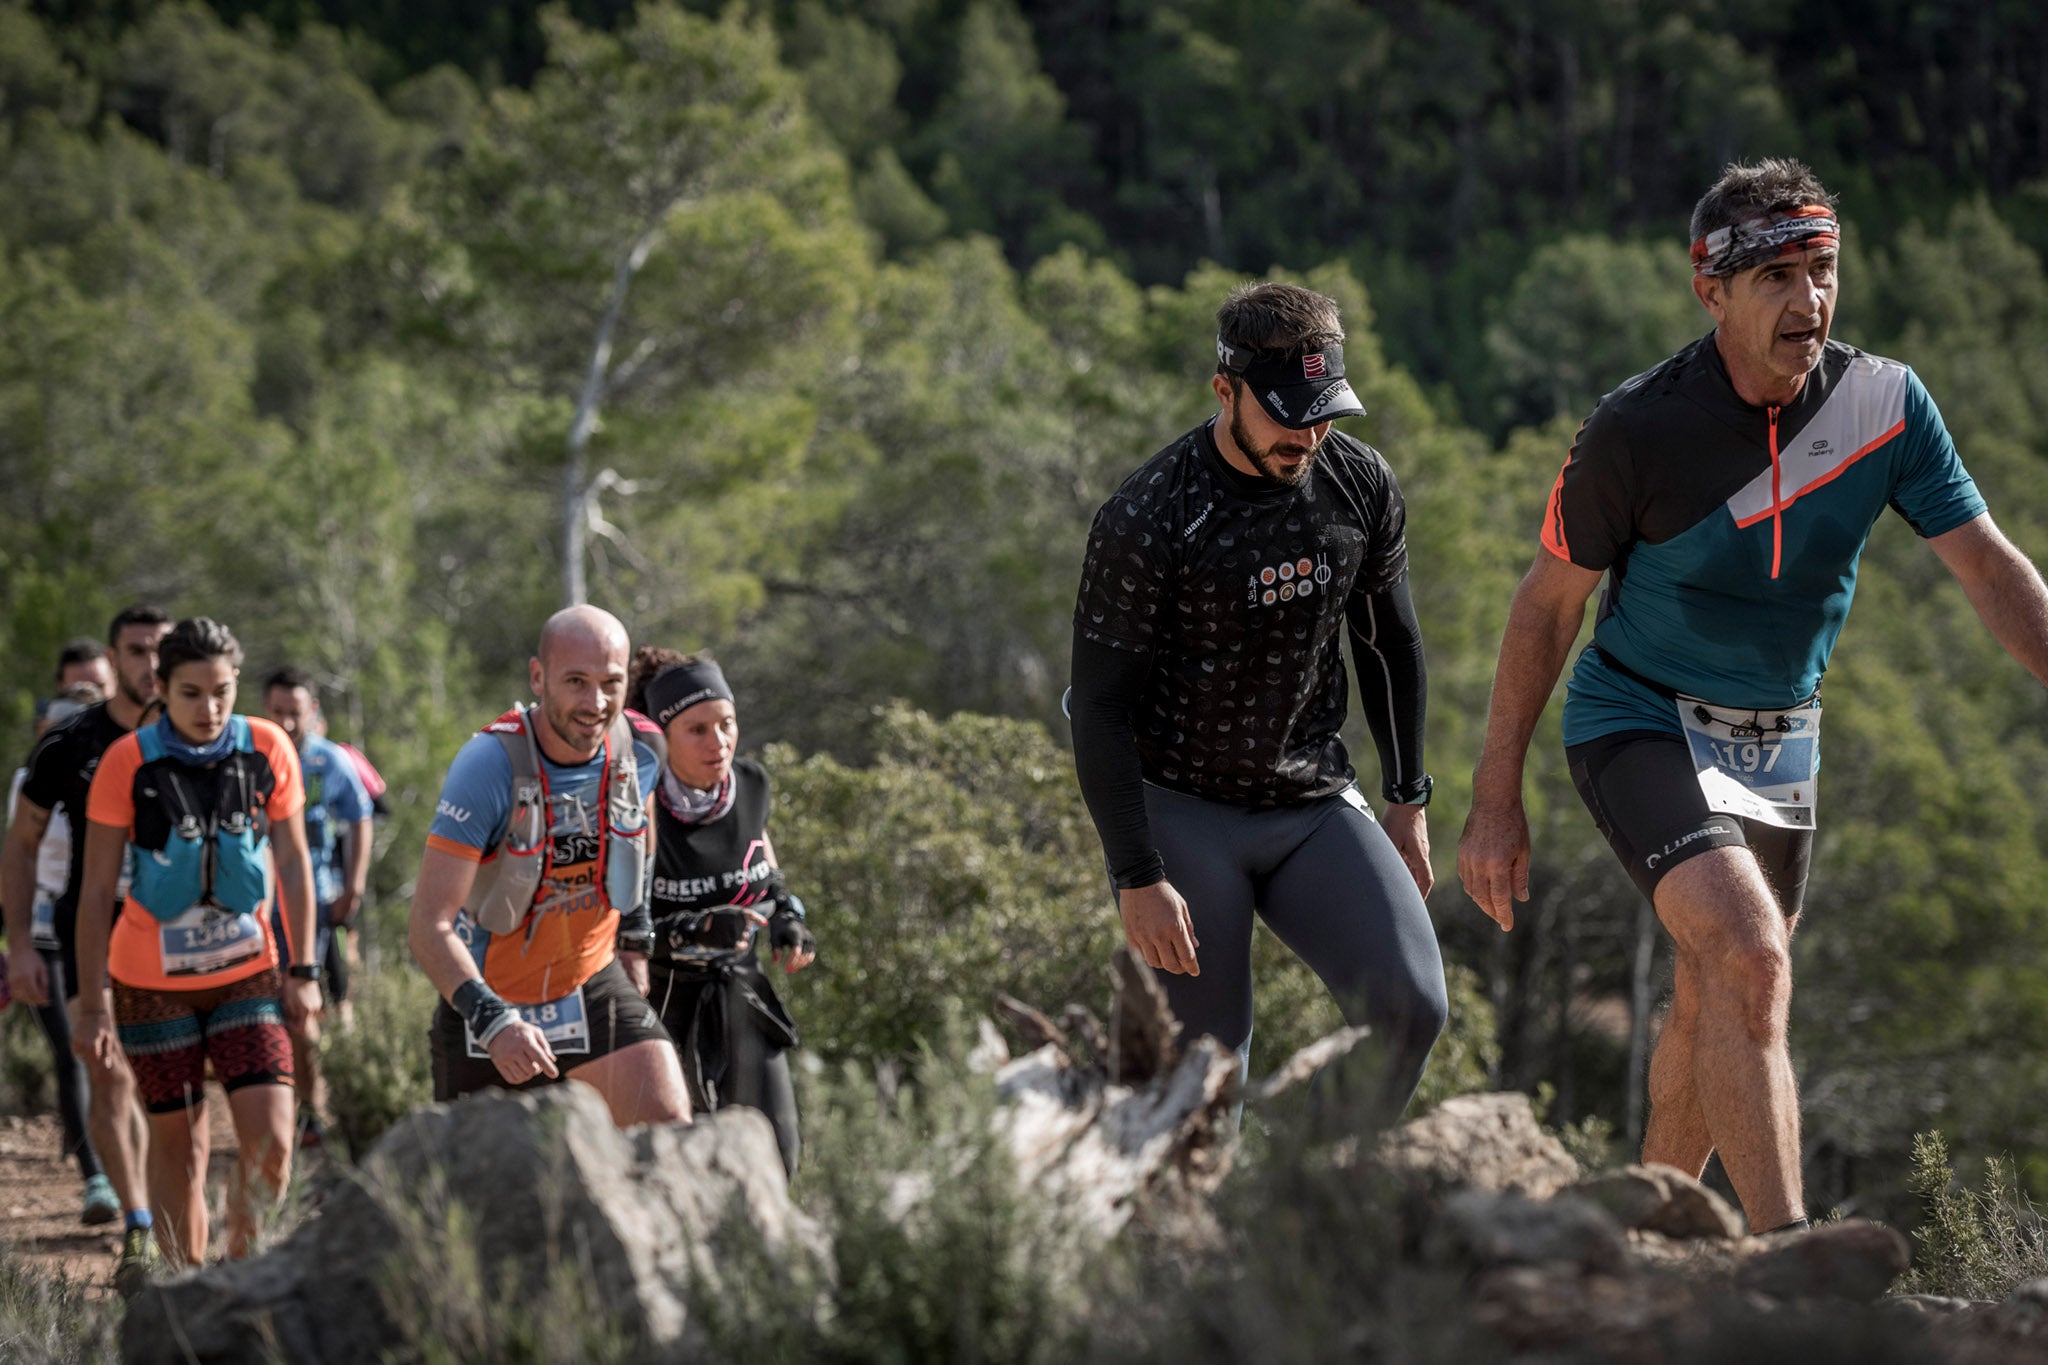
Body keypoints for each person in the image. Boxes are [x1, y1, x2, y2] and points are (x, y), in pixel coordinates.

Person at [1457, 158, 2048, 1235]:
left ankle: (1642, 1243)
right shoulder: (1634, 428)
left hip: (1777, 742)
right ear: (1709, 289)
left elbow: (1989, 569)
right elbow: (1544, 608)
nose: (1805, 300)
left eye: (1820, 269)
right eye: (1772, 275)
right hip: (1637, 720)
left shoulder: (1884, 404)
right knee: (1750, 955)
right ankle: (1787, 1256)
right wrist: (1495, 795)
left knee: (1711, 998)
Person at [1068, 281, 1448, 1124]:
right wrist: (1137, 874)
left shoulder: (1357, 484)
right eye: (1285, 413)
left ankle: (1304, 1202)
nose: (1306, 436)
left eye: (1324, 412)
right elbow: (1096, 708)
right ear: (1225, 390)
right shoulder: (1146, 515)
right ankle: (1184, 1243)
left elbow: (1391, 644)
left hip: (1309, 800)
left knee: (1412, 1005)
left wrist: (1408, 798)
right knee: (1202, 1079)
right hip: (1183, 810)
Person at [73, 617, 322, 1269]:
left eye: (222, 691)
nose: (209, 708)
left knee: (271, 1139)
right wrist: (93, 1003)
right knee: (181, 1147)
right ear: (161, 685)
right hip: (151, 987)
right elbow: (96, 891)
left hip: (249, 976)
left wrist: (304, 968)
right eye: (191, 693)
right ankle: (188, 1290)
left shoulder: (267, 747)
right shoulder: (126, 761)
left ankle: (242, 1275)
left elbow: (293, 863)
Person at [409, 606, 689, 1126]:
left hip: (589, 982)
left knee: (668, 1128)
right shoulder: (488, 765)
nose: (596, 703)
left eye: (611, 683)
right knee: (476, 1198)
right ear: (538, 677)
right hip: (489, 999)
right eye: (576, 682)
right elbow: (428, 925)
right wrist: (493, 1022)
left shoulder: (642, 746)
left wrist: (634, 933)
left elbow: (641, 827)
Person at [2, 604, 171, 1293]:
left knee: (163, 1086)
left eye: (160, 649)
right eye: (136, 649)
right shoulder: (68, 741)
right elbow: (20, 843)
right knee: (107, 1073)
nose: (150, 664)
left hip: (174, 936)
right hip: (87, 932)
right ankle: (138, 1223)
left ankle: (175, 1220)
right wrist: (18, 944)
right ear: (112, 657)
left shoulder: (196, 732)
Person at [627, 649, 814, 1175]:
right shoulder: (640, 805)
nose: (719, 743)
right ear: (662, 735)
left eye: (727, 724)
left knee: (780, 1155)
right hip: (666, 1008)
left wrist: (786, 916)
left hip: (743, 994)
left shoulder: (750, 785)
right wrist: (698, 929)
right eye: (697, 730)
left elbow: (763, 864)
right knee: (683, 1164)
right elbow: (621, 931)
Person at [4, 683, 117, 1226]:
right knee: (71, 1048)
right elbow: (16, 855)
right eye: (57, 719)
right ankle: (95, 1174)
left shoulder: (120, 769)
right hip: (50, 927)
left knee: (115, 1056)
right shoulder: (31, 781)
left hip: (108, 923)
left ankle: (126, 1168)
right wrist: (15, 944)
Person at [262, 667, 374, 1148]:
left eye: (296, 712)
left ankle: (322, 1108)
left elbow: (359, 819)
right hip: (264, 909)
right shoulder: (253, 757)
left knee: (320, 1005)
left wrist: (355, 885)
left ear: (313, 711)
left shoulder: (332, 762)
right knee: (278, 1013)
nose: (287, 722)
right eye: (277, 712)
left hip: (321, 902)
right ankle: (291, 1107)